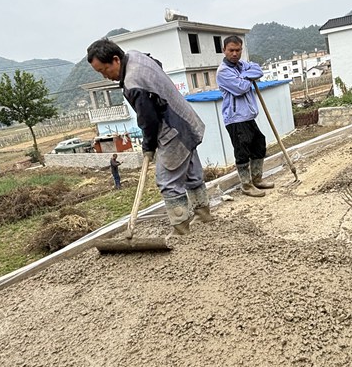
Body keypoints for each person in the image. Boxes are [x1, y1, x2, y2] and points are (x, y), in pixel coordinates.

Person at [87, 38, 213, 234]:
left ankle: (181, 230)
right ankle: (204, 216)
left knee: (168, 182)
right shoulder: (137, 56)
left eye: (104, 70)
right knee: (191, 173)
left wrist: (148, 147)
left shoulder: (133, 82)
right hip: (187, 120)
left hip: (173, 130)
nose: (105, 76)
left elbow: (148, 120)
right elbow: (158, 67)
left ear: (115, 60)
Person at [216, 35, 275, 197]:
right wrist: (248, 75)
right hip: (235, 118)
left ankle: (257, 179)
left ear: (241, 50)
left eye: (238, 50)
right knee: (242, 151)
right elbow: (240, 88)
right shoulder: (223, 72)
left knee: (259, 144)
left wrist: (244, 74)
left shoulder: (242, 65)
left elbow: (258, 70)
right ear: (224, 51)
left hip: (248, 116)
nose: (234, 53)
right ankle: (246, 185)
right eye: (231, 50)